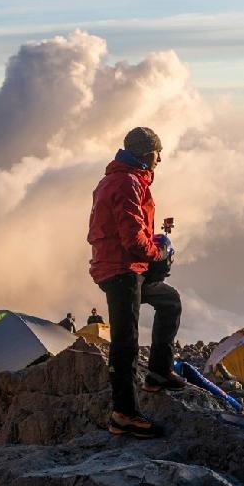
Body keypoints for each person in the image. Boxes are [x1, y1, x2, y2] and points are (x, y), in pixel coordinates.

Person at [88, 126, 185, 439]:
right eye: (157, 152)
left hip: (126, 267)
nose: (160, 158)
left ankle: (157, 373)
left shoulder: (126, 179)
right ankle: (124, 414)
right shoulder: (127, 182)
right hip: (121, 271)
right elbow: (132, 240)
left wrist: (153, 245)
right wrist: (158, 252)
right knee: (125, 342)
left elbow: (131, 231)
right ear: (147, 152)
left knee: (169, 301)